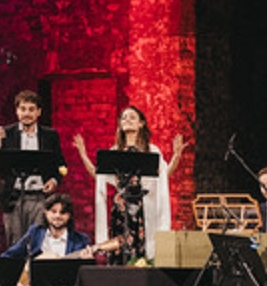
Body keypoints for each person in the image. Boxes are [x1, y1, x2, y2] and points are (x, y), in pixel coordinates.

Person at [73, 105, 184, 263]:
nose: (127, 120)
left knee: (140, 250)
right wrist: (83, 155)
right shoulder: (115, 151)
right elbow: (100, 176)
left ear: (141, 123)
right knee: (119, 248)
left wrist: (176, 156)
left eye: (132, 117)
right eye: (124, 117)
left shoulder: (151, 151)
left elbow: (163, 176)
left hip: (142, 208)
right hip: (120, 208)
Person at [0, 90, 65, 248]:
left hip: (39, 198)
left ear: (39, 112)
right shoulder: (7, 133)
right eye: (23, 109)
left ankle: (34, 273)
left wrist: (53, 181)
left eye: (31, 109)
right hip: (13, 197)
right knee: (15, 244)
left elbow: (60, 164)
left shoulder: (50, 135)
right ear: (17, 111)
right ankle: (17, 274)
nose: (27, 113)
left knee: (37, 243)